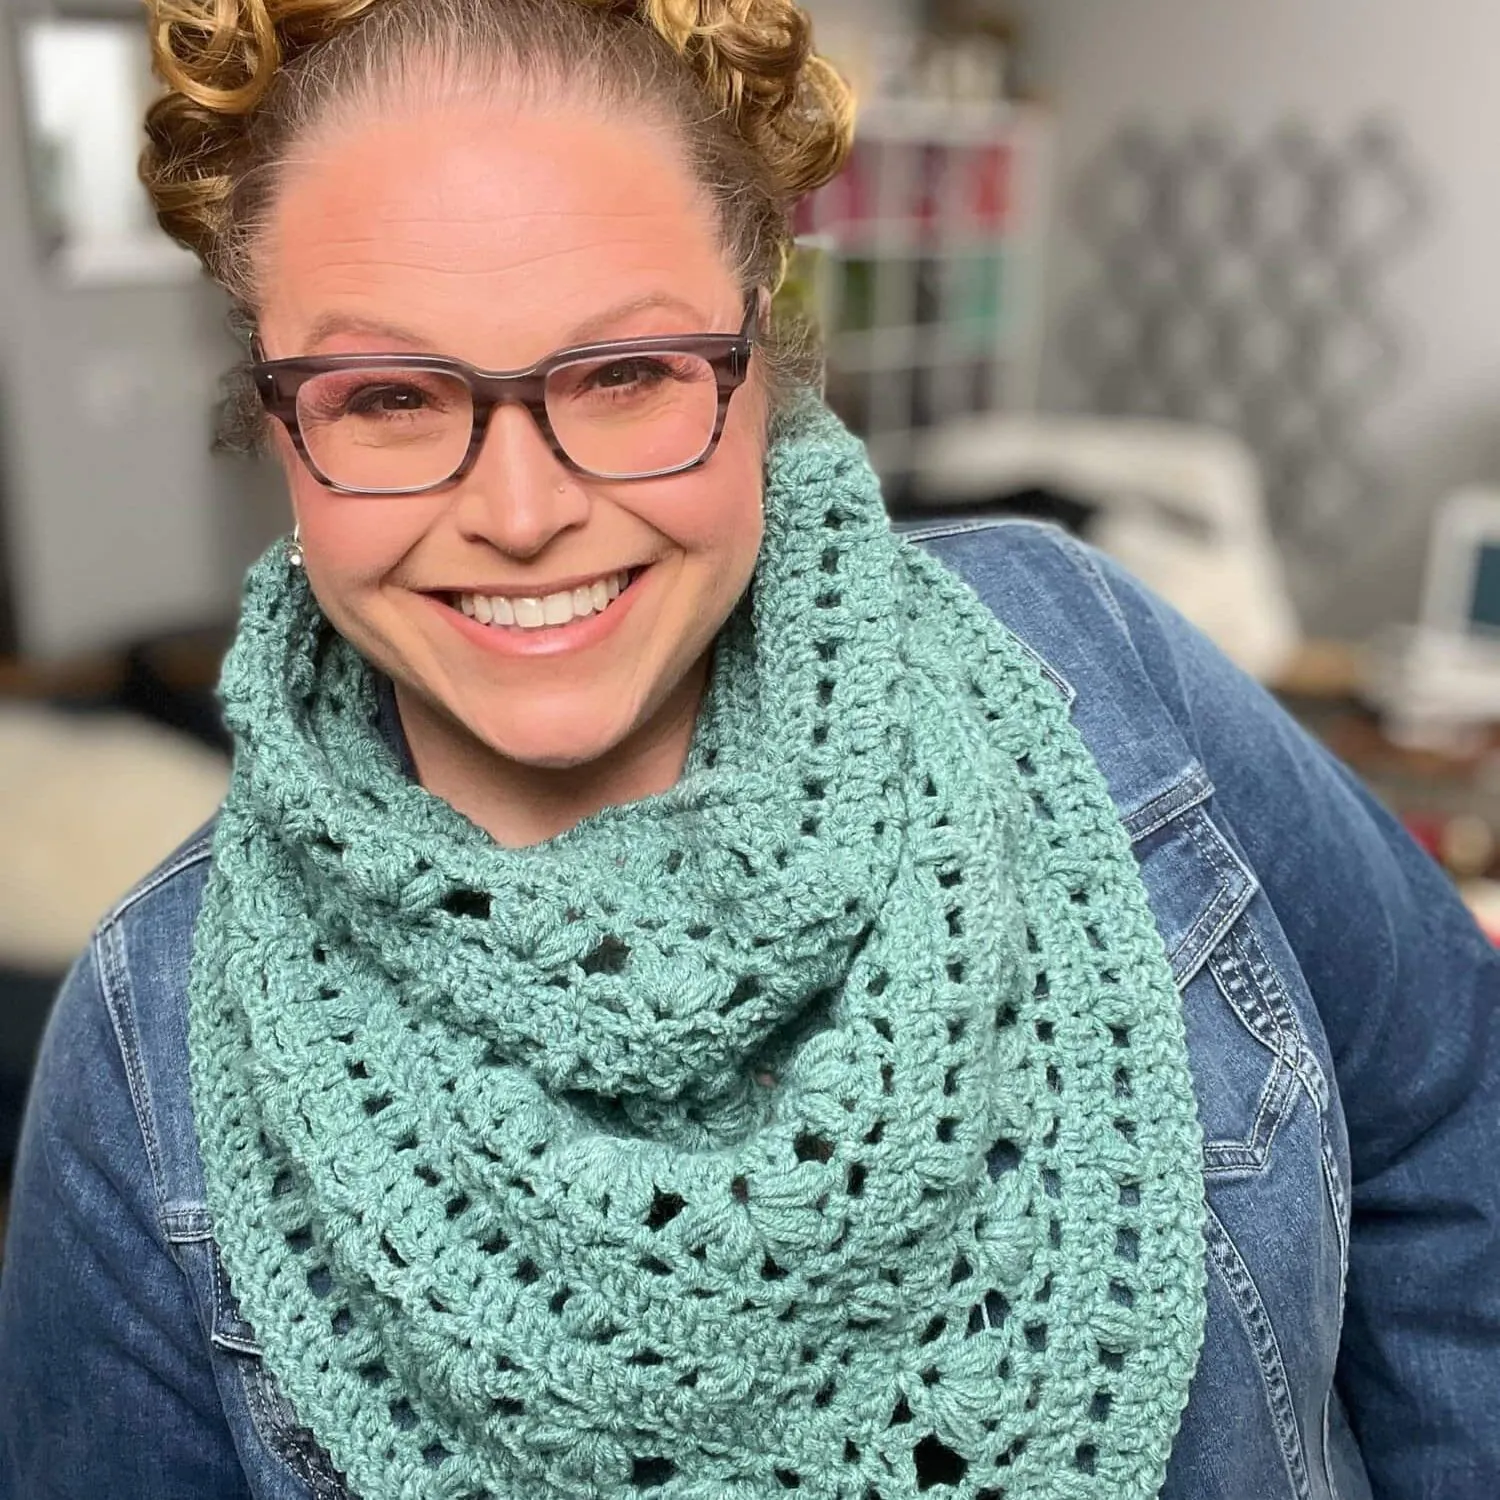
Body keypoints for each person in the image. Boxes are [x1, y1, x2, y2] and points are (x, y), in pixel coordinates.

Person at [1, 0, 1496, 1495]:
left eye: (626, 373)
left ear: (761, 345)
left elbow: (1452, 1115)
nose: (522, 515)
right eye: (390, 398)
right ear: (272, 412)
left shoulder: (1088, 666)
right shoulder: (145, 1059)